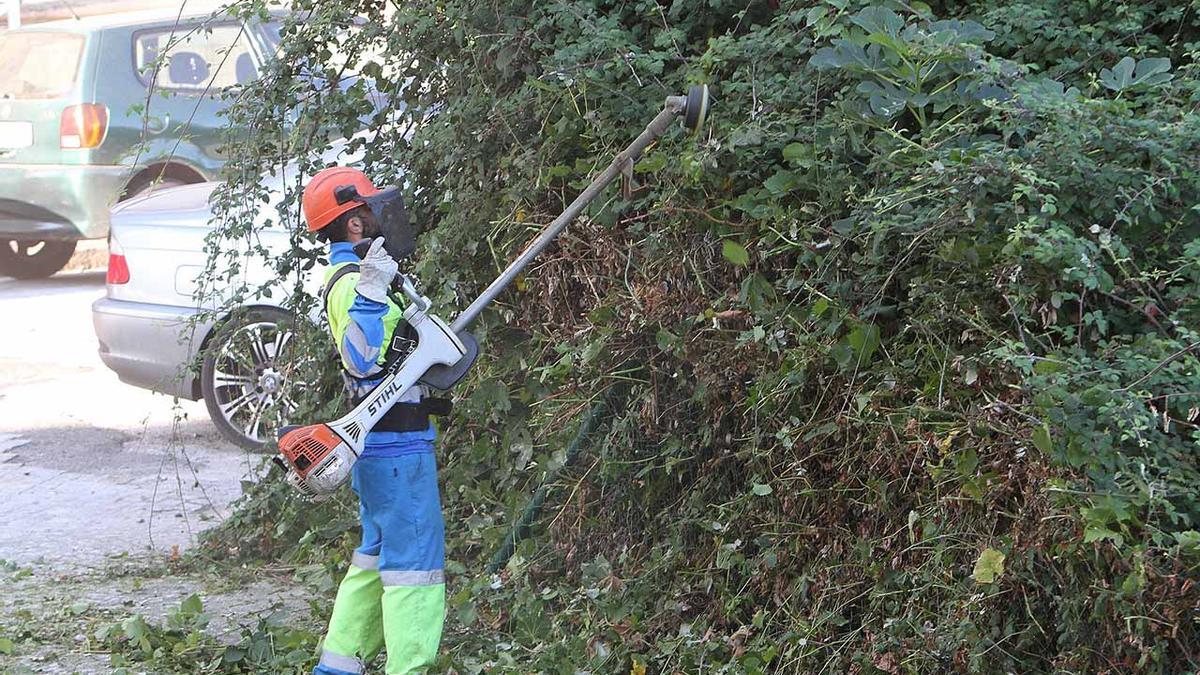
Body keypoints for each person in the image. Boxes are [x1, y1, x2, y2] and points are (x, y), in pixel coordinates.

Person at [302, 166, 446, 675]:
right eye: (370, 207)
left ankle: (338, 667)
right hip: (395, 446)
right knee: (415, 570)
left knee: (375, 558)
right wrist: (370, 292)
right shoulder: (353, 284)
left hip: (385, 447)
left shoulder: (372, 272)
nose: (382, 213)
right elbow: (360, 361)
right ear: (355, 224)